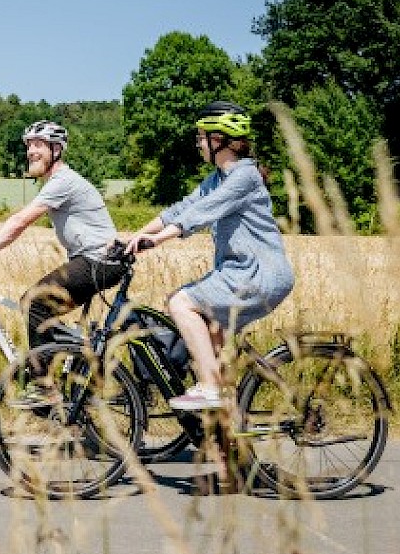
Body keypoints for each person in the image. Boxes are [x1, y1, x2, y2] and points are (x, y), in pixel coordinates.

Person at [124, 101, 295, 411]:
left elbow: (201, 213)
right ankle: (226, 424)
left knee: (181, 302)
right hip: (240, 273)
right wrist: (134, 236)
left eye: (202, 137)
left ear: (220, 140)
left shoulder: (245, 177)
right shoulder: (217, 178)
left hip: (257, 274)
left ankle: (210, 389)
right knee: (213, 334)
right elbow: (180, 209)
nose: (198, 144)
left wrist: (156, 241)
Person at [0, 120, 125, 407]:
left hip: (99, 261)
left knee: (35, 302)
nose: (31, 151)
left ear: (56, 150)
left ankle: (45, 387)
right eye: (29, 146)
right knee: (35, 308)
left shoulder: (63, 182)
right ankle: (83, 356)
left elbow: (20, 222)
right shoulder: (58, 183)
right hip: (97, 261)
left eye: (38, 145)